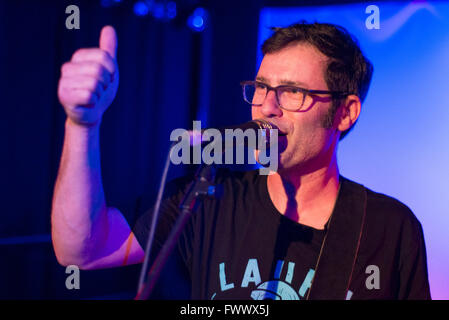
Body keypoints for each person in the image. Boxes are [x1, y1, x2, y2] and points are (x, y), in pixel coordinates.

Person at [52, 22, 431, 300]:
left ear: (345, 113)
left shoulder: (390, 227)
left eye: (292, 92)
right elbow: (83, 250)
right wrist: (83, 124)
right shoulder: (207, 199)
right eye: (261, 88)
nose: (266, 107)